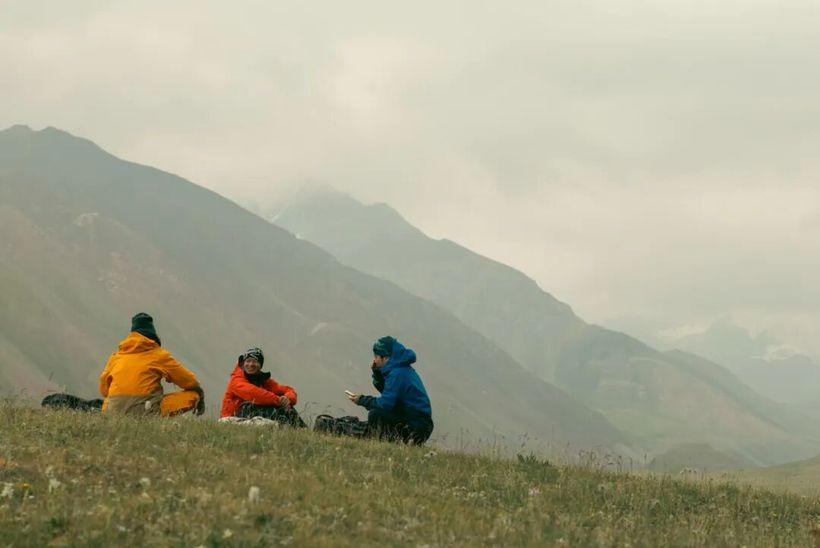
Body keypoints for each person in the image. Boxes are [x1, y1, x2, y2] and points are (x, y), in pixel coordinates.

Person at [99, 313, 205, 416]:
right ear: (152, 334)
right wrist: (200, 394)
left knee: (108, 401)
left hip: (112, 412)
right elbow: (188, 381)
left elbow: (104, 390)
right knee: (193, 395)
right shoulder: (159, 355)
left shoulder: (116, 356)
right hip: (146, 411)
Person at [347, 336, 433, 444]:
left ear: (385, 358)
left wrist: (362, 400)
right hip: (417, 422)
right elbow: (389, 393)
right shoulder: (400, 369)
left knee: (375, 415)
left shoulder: (397, 374)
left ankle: (397, 441)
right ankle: (393, 440)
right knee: (379, 415)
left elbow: (386, 403)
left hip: (416, 426)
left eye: (376, 356)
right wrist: (377, 373)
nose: (374, 360)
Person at [220, 348, 305, 427]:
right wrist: (278, 400)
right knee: (253, 405)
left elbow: (288, 390)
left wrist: (287, 398)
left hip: (251, 417)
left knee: (287, 406)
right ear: (243, 363)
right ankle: (290, 427)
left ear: (260, 365)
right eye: (248, 361)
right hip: (231, 419)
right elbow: (254, 394)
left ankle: (302, 430)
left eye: (255, 361)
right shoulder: (236, 380)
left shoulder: (263, 380)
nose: (251, 364)